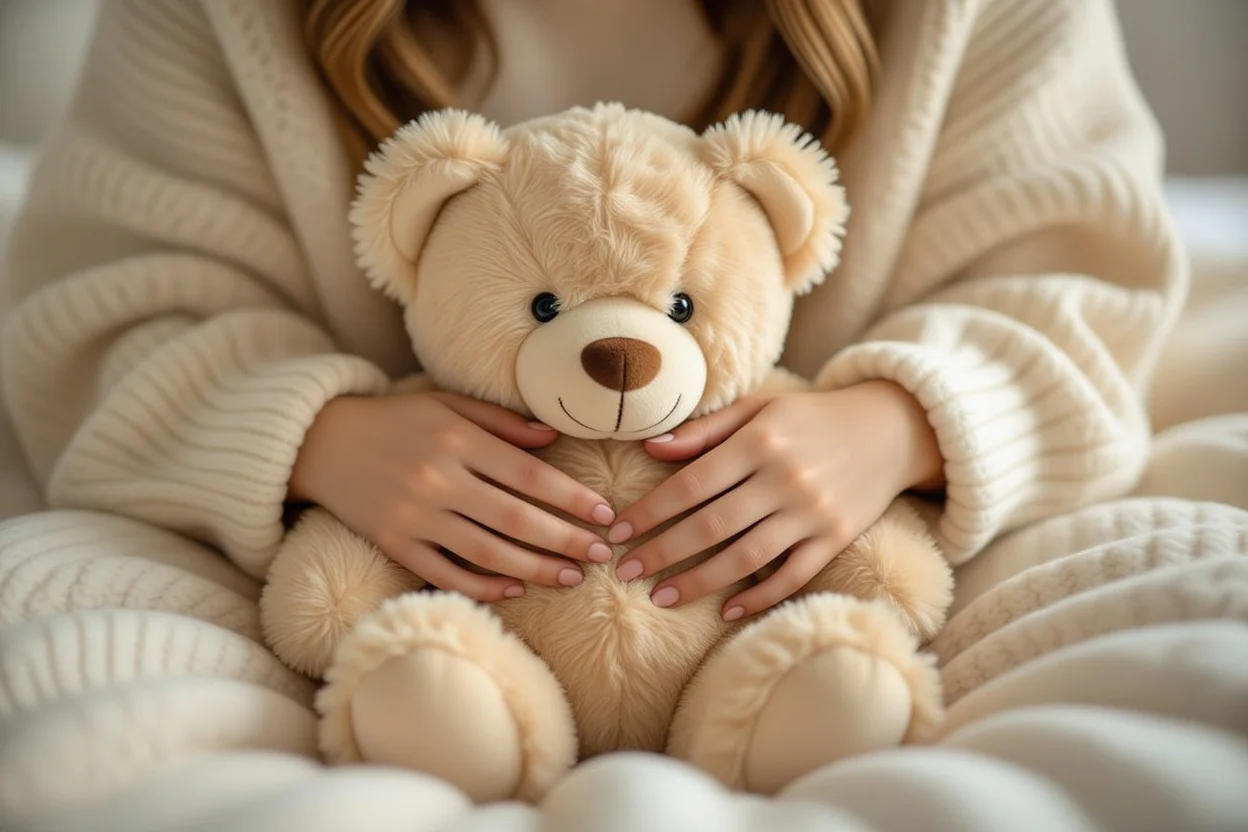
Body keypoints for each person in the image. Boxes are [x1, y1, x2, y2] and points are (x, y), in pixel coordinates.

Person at [1, 0, 1184, 628]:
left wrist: (894, 424)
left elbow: (1079, 288)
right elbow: (102, 305)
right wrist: (316, 438)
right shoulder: (214, 18)